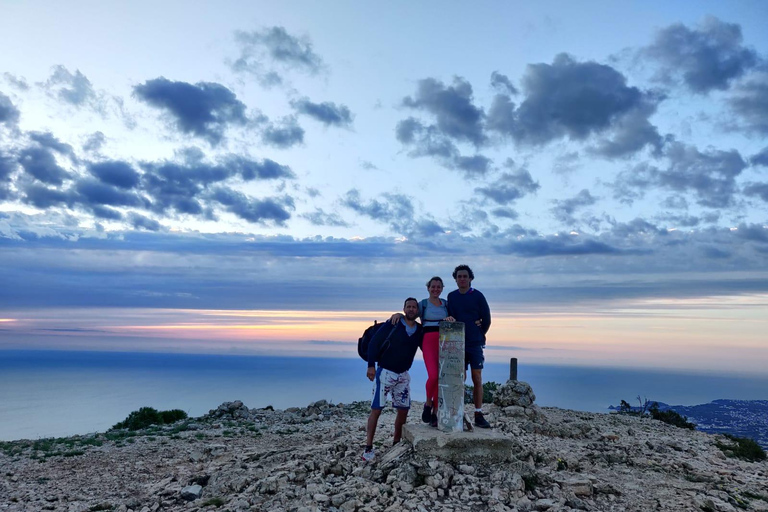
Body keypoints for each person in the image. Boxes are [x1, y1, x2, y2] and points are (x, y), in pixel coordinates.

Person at [363, 297, 423, 462]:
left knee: (403, 410)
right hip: (386, 373)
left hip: (403, 374)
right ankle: (368, 447)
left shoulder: (419, 330)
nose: (411, 309)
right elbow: (374, 342)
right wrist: (371, 365)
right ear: (404, 309)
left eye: (414, 307)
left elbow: (426, 348)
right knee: (377, 409)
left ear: (417, 311)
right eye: (408, 306)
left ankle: (396, 443)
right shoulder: (394, 323)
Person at [447, 264, 492, 429]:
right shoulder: (451, 296)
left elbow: (486, 319)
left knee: (477, 377)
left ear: (470, 278)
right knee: (460, 378)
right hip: (458, 343)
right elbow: (450, 316)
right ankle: (458, 411)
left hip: (474, 343)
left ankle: (478, 413)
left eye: (465, 276)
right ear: (455, 279)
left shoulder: (478, 296)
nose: (462, 279)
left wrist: (478, 332)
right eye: (459, 276)